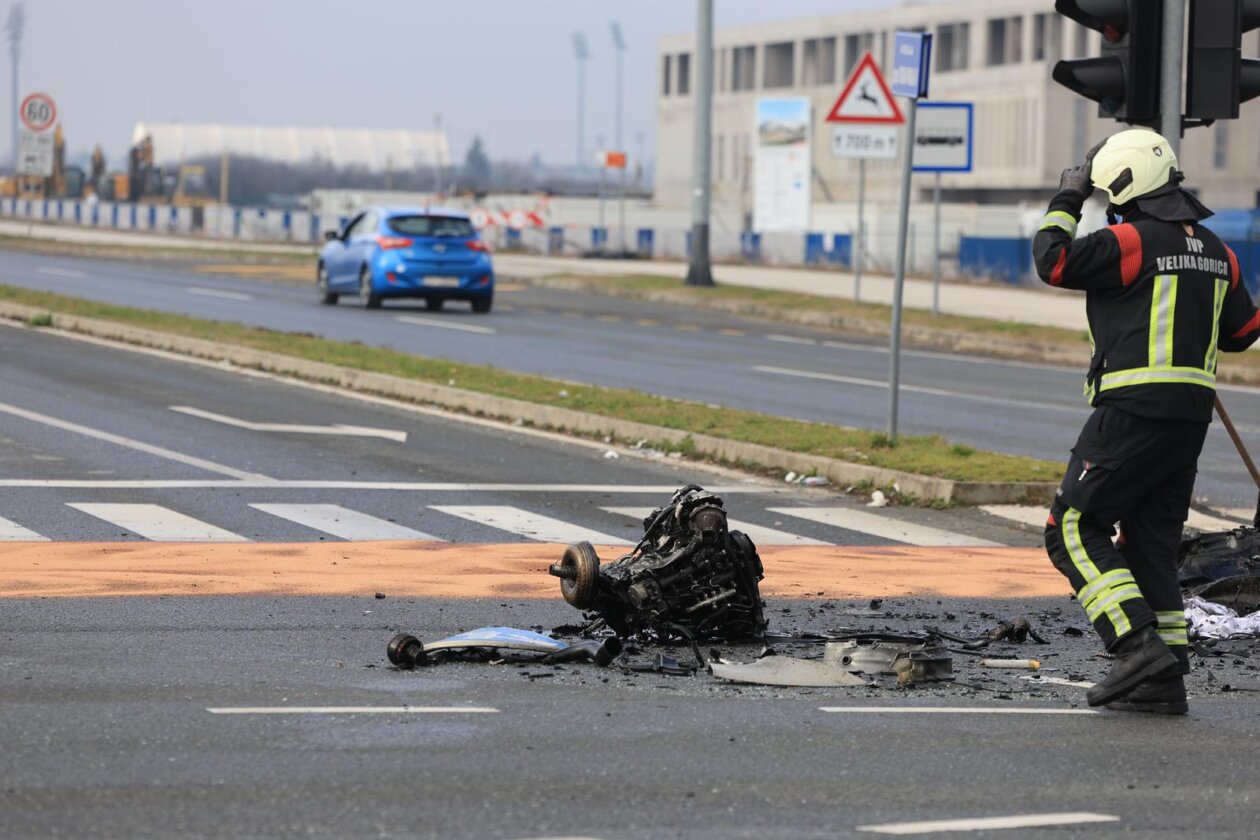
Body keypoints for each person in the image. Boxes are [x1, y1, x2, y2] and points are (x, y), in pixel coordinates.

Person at [1033, 128, 1260, 714]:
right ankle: (1165, 679)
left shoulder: (1131, 239)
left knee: (1072, 529)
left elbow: (1052, 261)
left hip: (1133, 409)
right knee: (1150, 545)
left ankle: (1136, 646)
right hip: (1189, 417)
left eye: (1107, 195)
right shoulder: (1218, 250)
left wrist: (1066, 198)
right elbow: (1242, 331)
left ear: (1124, 188)